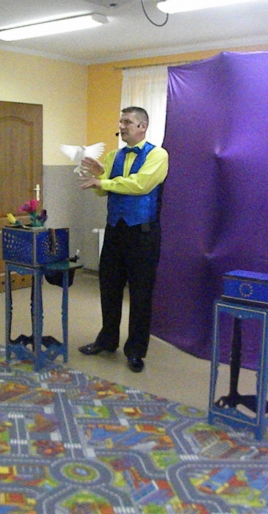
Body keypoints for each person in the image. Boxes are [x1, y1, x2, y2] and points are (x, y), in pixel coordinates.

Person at [78, 106, 169, 373]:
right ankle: (107, 340)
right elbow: (102, 192)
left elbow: (140, 185)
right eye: (121, 121)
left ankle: (136, 351)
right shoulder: (112, 156)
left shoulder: (158, 155)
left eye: (127, 122)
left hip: (143, 234)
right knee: (109, 288)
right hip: (115, 231)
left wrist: (104, 181)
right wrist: (100, 175)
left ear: (142, 126)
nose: (122, 126)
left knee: (140, 294)